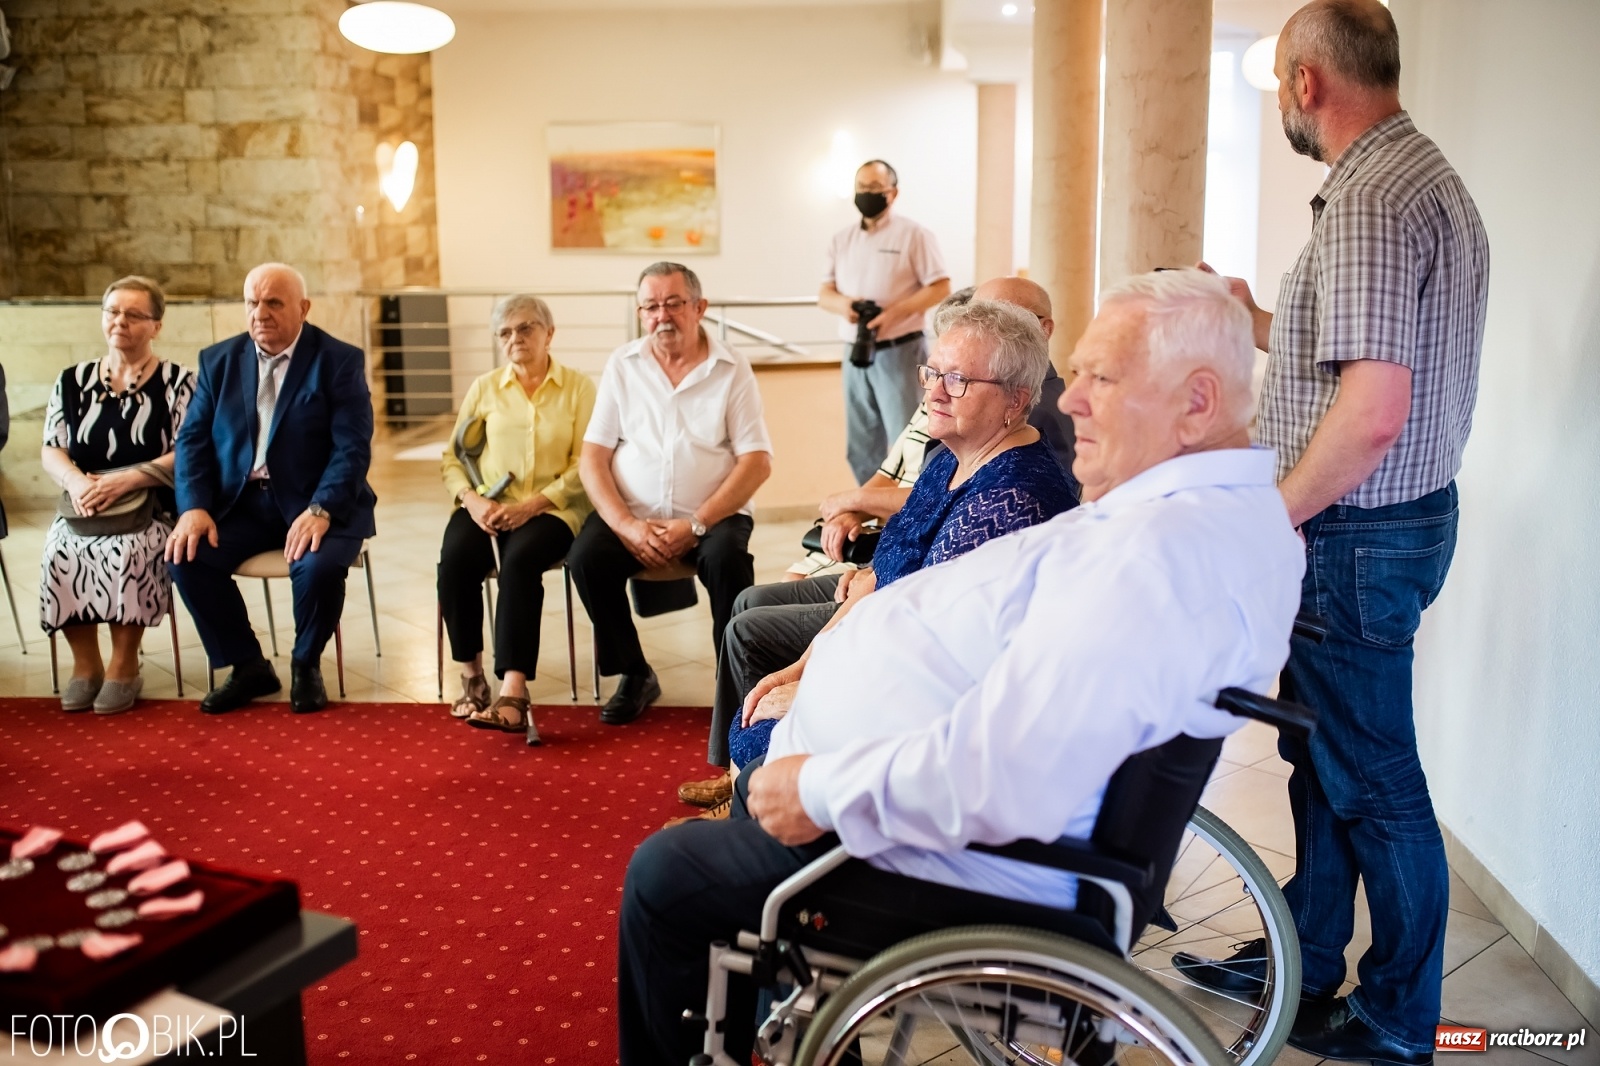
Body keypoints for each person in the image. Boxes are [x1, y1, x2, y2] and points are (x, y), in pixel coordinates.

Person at [616, 268, 1306, 1064]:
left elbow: (998, 773)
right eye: (1073, 374)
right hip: (945, 805)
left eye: (1099, 378)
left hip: (972, 863)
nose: (1070, 401)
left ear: (1198, 402)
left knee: (668, 875)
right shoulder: (1198, 515)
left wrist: (813, 787)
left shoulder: (1152, 558)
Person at [1189, 3, 1490, 1063]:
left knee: (1375, 782)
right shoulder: (1424, 176)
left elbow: (1369, 412)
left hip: (1356, 532)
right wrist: (1254, 314)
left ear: (1307, 81)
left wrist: (1266, 523)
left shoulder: (1366, 197)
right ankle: (1302, 955)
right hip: (1397, 521)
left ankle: (1399, 1019)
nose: (1278, 97)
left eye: (1277, 77)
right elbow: (1354, 354)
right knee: (1320, 761)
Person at [677, 299, 1076, 820]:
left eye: (957, 380)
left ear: (1015, 400)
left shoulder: (1010, 501)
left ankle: (756, 838)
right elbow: (880, 584)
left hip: (927, 721)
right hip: (878, 668)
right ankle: (745, 816)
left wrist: (810, 691)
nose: (932, 390)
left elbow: (919, 653)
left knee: (757, 727)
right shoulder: (949, 460)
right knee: (758, 699)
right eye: (932, 371)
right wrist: (801, 666)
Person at [166, 263, 377, 717]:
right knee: (186, 557)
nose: (260, 313)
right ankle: (248, 666)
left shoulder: (338, 360)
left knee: (318, 568)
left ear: (303, 308)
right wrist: (194, 507)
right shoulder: (218, 361)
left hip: (316, 500)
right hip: (240, 502)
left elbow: (352, 447)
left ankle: (306, 663)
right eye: (252, 302)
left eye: (273, 303)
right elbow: (193, 442)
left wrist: (322, 507)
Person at [569, 262, 772, 726]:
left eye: (673, 304)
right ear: (641, 314)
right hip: (634, 514)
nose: (662, 315)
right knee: (586, 558)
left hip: (713, 515)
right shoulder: (623, 365)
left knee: (726, 561)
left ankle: (735, 684)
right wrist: (625, 525)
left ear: (699, 307)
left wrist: (696, 523)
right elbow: (592, 457)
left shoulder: (731, 367)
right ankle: (635, 673)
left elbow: (757, 460)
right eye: (650, 306)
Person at [38, 277, 196, 714]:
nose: (120, 322)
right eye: (112, 311)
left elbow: (190, 452)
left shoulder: (179, 382)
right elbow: (52, 448)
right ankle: (85, 666)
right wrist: (78, 483)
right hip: (85, 499)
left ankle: (124, 666)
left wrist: (126, 480)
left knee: (127, 551)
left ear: (156, 325)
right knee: (59, 551)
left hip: (151, 499)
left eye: (133, 314)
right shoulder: (72, 380)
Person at [438, 295, 596, 734]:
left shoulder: (579, 388)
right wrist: (472, 501)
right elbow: (452, 458)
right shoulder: (485, 387)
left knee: (520, 562)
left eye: (525, 328)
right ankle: (472, 676)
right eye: (505, 333)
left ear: (549, 333)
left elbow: (586, 463)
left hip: (553, 509)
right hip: (488, 507)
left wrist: (532, 505)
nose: (515, 339)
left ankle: (513, 689)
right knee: (454, 560)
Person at [820, 159, 951, 484]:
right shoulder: (842, 239)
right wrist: (846, 305)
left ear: (893, 193)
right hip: (856, 353)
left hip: (900, 350)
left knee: (910, 441)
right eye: (861, 188)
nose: (866, 194)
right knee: (861, 446)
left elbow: (941, 286)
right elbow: (824, 293)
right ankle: (868, 520)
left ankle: (910, 518)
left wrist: (893, 313)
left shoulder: (914, 235)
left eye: (874, 188)